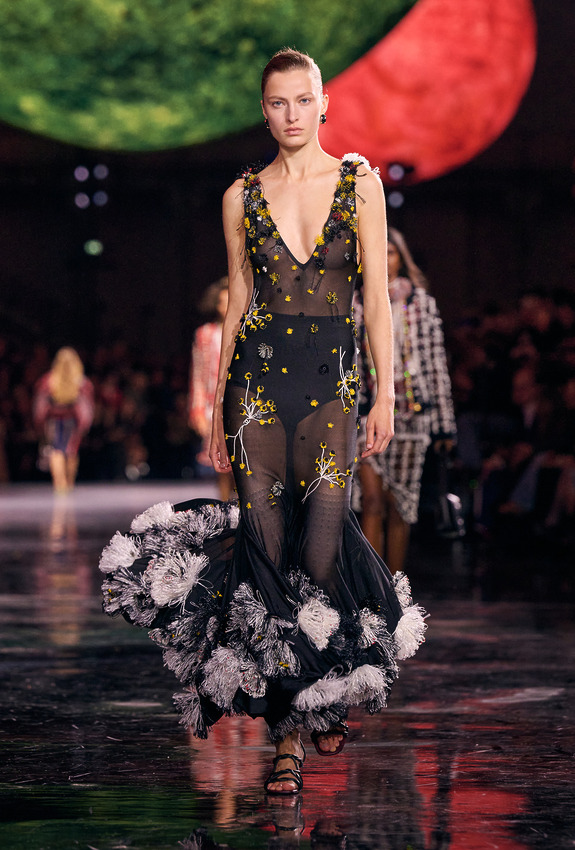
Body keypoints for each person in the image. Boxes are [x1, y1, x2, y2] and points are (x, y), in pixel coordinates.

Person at [100, 49, 426, 797]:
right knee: (267, 555)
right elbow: (238, 304)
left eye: (301, 100)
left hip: (333, 386)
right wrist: (219, 407)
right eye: (277, 103)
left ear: (323, 104)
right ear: (264, 111)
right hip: (258, 391)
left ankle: (325, 691)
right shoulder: (239, 196)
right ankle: (287, 737)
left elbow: (377, 299)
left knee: (321, 550)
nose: (290, 114)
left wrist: (385, 393)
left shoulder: (359, 183)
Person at [354, 228, 456, 573]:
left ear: (401, 258)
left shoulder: (421, 303)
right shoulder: (355, 302)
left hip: (412, 417)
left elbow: (435, 364)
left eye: (391, 252)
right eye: (378, 252)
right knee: (371, 501)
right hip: (366, 414)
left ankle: (394, 587)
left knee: (400, 505)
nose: (385, 259)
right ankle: (373, 587)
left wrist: (444, 426)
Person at [189, 277, 234, 499]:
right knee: (221, 462)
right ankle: (226, 509)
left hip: (241, 401)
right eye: (222, 302)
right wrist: (196, 409)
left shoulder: (248, 330)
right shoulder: (205, 334)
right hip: (213, 404)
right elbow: (198, 374)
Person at [33, 347, 94, 492]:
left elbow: (40, 406)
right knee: (71, 451)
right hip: (72, 422)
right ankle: (69, 484)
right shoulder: (82, 382)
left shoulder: (48, 380)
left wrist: (39, 422)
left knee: (57, 450)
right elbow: (86, 407)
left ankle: (60, 484)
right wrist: (85, 424)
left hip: (55, 421)